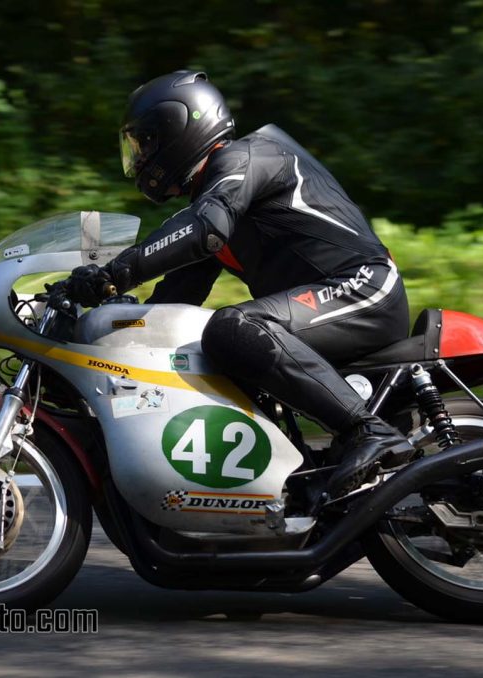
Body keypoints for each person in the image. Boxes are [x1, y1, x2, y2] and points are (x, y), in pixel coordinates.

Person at [55, 70, 415, 498]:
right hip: (325, 303)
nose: (139, 157)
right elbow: (170, 303)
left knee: (233, 328)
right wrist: (103, 327)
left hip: (363, 288)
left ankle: (368, 431)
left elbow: (203, 230)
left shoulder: (247, 158)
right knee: (187, 350)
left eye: (145, 143)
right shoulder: (214, 200)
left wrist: (112, 276)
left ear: (180, 127)